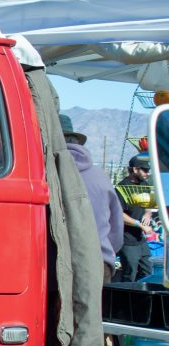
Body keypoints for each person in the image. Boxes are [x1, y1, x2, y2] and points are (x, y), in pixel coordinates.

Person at [61, 115, 123, 283]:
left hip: (56, 266)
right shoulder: (100, 176)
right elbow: (116, 231)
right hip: (99, 263)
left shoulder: (45, 173)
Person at [116, 153, 154, 282]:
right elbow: (119, 214)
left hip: (140, 239)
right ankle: (125, 300)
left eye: (148, 170)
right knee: (129, 274)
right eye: (145, 170)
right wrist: (139, 224)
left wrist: (147, 214)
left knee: (148, 271)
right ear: (135, 169)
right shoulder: (121, 188)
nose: (147, 173)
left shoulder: (145, 184)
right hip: (127, 240)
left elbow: (149, 204)